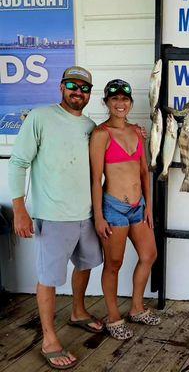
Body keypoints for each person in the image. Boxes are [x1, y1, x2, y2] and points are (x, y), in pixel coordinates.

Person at [8, 66, 104, 369]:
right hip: (52, 217)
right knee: (48, 279)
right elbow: (18, 162)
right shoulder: (40, 117)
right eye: (73, 86)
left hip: (86, 215)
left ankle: (78, 311)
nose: (79, 92)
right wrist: (19, 209)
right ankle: (49, 337)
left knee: (86, 264)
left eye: (85, 88)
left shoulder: (90, 126)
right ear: (61, 88)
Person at [89, 79, 159, 340]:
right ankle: (113, 316)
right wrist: (98, 216)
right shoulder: (101, 134)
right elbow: (96, 179)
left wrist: (149, 207)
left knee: (149, 255)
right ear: (106, 102)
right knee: (114, 263)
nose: (120, 104)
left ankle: (137, 307)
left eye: (125, 99)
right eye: (115, 99)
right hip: (114, 208)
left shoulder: (136, 132)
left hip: (138, 207)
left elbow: (144, 172)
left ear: (130, 103)